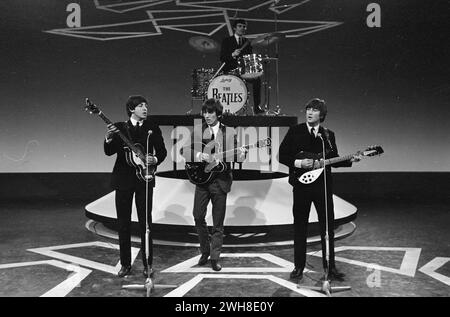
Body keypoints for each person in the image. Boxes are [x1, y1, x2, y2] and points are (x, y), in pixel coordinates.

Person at [278, 98, 360, 282]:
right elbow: (281, 156)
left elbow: (335, 158)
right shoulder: (295, 131)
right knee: (300, 226)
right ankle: (298, 266)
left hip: (322, 186)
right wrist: (298, 162)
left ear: (321, 115)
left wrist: (351, 160)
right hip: (301, 186)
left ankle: (330, 267)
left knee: (327, 227)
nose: (309, 112)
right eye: (308, 109)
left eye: (314, 110)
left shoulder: (328, 135)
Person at [104, 95, 167, 278]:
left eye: (146, 105)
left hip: (145, 179)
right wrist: (108, 138)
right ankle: (125, 264)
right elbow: (109, 152)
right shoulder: (120, 128)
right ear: (132, 109)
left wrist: (154, 159)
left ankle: (148, 264)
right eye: (141, 106)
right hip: (123, 180)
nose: (145, 108)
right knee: (123, 223)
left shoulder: (152, 127)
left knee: (145, 223)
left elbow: (162, 151)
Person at [184, 99, 247, 271]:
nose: (207, 115)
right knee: (198, 216)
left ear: (218, 114)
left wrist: (242, 155)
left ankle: (214, 257)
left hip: (220, 182)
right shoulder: (199, 131)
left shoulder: (229, 132)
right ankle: (204, 251)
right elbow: (184, 151)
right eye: (205, 112)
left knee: (218, 223)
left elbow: (237, 157)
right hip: (202, 182)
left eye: (210, 112)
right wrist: (199, 155)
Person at [220, 18, 264, 114]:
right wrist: (232, 54)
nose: (242, 28)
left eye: (244, 27)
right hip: (230, 71)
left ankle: (256, 107)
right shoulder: (227, 41)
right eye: (240, 26)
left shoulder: (247, 42)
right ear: (235, 28)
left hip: (243, 71)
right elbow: (222, 57)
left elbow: (249, 58)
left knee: (257, 79)